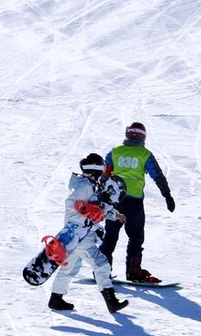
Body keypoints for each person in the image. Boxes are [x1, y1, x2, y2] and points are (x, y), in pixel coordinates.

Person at [45, 154, 129, 313]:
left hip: (78, 234)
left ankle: (56, 299)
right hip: (80, 234)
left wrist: (114, 214)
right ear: (96, 170)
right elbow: (71, 204)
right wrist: (85, 209)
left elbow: (98, 208)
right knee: (102, 265)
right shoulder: (84, 186)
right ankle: (111, 302)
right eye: (102, 171)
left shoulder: (90, 185)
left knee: (70, 267)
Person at [100, 122, 175, 283]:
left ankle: (102, 270)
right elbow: (158, 175)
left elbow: (104, 175)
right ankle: (133, 270)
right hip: (134, 203)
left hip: (114, 201)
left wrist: (100, 196)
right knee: (135, 237)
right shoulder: (144, 154)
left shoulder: (115, 152)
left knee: (110, 236)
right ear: (143, 136)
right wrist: (167, 195)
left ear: (127, 134)